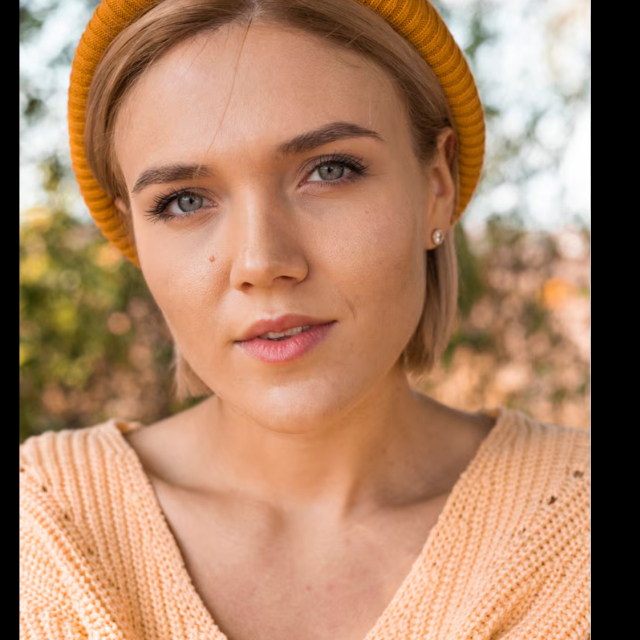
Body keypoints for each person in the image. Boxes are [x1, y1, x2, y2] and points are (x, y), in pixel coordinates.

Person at [19, 0, 590, 638]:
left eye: (329, 170)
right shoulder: (41, 532)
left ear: (436, 183)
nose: (262, 262)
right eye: (183, 201)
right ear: (133, 234)